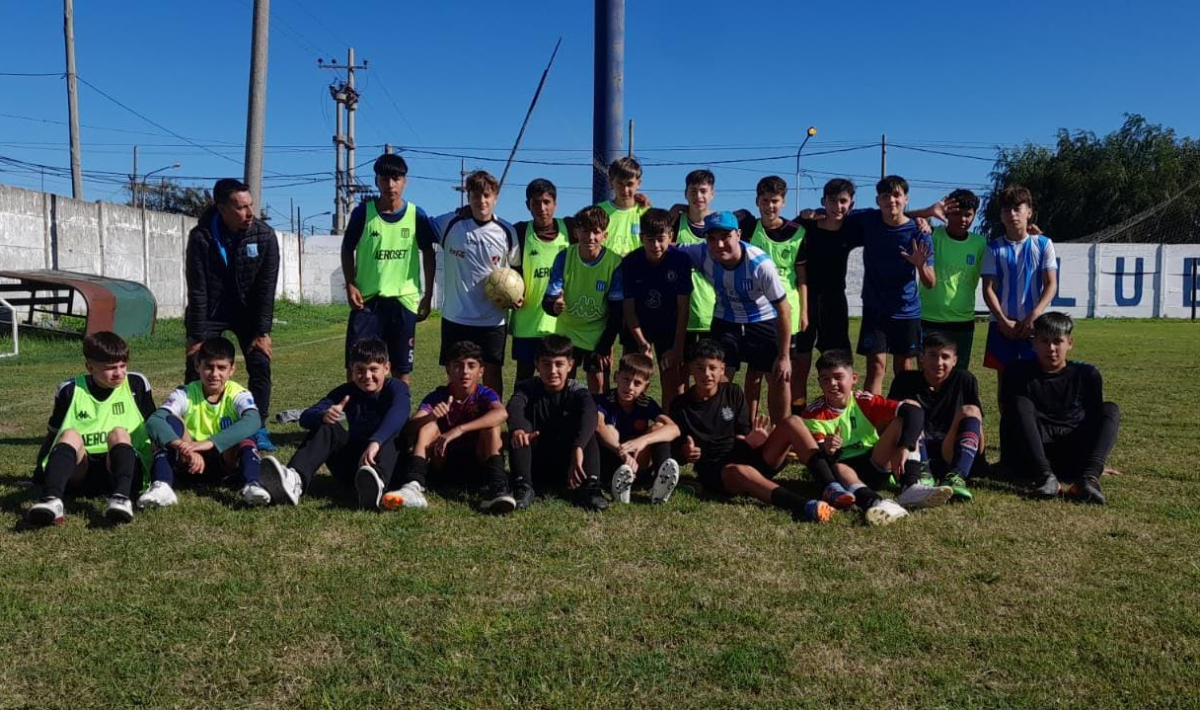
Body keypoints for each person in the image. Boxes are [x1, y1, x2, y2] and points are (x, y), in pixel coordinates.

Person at [669, 339, 832, 523]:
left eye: (712, 368)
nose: (706, 374)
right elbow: (675, 453)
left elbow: (744, 432)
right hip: (719, 472)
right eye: (700, 368)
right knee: (741, 471)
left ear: (722, 369)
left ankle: (831, 486)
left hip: (748, 456)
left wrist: (755, 440)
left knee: (793, 421)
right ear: (691, 369)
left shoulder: (732, 392)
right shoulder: (680, 406)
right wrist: (685, 453)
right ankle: (804, 506)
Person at [259, 337, 410, 510]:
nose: (367, 376)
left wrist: (377, 441)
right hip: (356, 465)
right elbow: (306, 417)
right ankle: (295, 479)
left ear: (387, 368)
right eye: (360, 370)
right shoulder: (347, 391)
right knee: (327, 426)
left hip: (391, 466)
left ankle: (377, 484)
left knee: (394, 431)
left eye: (373, 369)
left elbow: (400, 412)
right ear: (351, 370)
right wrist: (323, 415)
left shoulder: (396, 388)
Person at [184, 178, 279, 451]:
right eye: (241, 207)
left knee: (260, 363)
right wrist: (197, 335)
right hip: (211, 311)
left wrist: (262, 332)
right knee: (197, 364)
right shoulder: (201, 237)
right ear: (222, 208)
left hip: (249, 314)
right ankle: (192, 424)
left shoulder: (264, 235)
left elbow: (266, 288)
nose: (249, 213)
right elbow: (197, 289)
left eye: (251, 206)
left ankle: (257, 426)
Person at [800, 349, 954, 515]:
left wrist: (904, 446)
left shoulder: (864, 401)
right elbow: (820, 464)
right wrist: (828, 450)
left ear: (854, 378)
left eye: (838, 377)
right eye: (825, 379)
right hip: (843, 473)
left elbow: (914, 412)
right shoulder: (813, 413)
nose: (832, 383)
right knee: (839, 467)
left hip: (875, 462)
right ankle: (874, 502)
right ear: (819, 382)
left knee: (907, 413)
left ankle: (910, 486)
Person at [27, 332, 155, 526]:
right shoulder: (69, 390)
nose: (119, 373)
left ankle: (121, 498)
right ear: (90, 367)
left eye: (122, 366)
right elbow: (53, 434)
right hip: (82, 471)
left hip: (123, 469)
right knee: (69, 434)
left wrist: (162, 476)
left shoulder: (137, 383)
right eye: (110, 368)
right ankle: (52, 500)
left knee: (119, 433)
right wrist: (39, 475)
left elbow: (154, 428)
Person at [676, 211, 793, 424]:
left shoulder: (760, 264)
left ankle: (782, 432)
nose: (719, 244)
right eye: (712, 238)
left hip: (762, 319)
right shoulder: (702, 253)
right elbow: (667, 248)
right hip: (726, 320)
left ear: (738, 234)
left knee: (779, 377)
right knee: (718, 377)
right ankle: (722, 429)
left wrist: (784, 356)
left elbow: (784, 310)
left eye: (725, 237)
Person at [1000, 312, 1118, 504]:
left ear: (1070, 343)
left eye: (1057, 341)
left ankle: (1089, 478)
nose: (1051, 349)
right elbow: (1011, 422)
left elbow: (1094, 421)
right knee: (1019, 403)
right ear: (1034, 343)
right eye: (1044, 341)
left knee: (1110, 409)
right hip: (1031, 456)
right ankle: (1046, 476)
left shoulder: (1086, 374)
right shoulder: (1016, 372)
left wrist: (1094, 463)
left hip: (1072, 456)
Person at [138, 337, 268, 509]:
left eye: (221, 368)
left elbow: (253, 420)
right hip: (189, 460)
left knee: (245, 430)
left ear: (232, 369)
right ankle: (162, 485)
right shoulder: (185, 392)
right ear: (197, 365)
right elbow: (155, 421)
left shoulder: (238, 394)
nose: (214, 374)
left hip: (225, 462)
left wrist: (209, 443)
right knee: (170, 421)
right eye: (208, 366)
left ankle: (252, 484)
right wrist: (182, 446)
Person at [340, 154, 437, 383]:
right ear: (377, 181)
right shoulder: (362, 213)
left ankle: (399, 407)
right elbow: (347, 249)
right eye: (384, 179)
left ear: (405, 181)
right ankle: (356, 407)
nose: (390, 184)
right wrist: (350, 284)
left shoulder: (416, 215)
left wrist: (428, 294)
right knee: (356, 366)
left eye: (396, 178)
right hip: (367, 302)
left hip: (404, 301)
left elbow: (428, 252)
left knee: (401, 370)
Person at [386, 340, 514, 514]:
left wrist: (459, 429)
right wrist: (431, 416)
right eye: (458, 366)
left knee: (493, 427)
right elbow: (410, 428)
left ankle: (497, 487)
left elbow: (502, 413)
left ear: (481, 371)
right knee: (429, 426)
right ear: (448, 369)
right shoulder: (439, 396)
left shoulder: (484, 394)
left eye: (471, 366)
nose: (465, 372)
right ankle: (413, 485)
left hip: (478, 464)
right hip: (443, 463)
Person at [843, 176, 936, 395]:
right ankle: (871, 415)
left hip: (906, 310)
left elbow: (930, 282)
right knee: (876, 367)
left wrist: (920, 265)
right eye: (885, 196)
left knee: (904, 369)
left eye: (896, 195)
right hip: (875, 309)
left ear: (906, 199)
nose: (891, 200)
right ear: (878, 200)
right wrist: (812, 213)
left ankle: (902, 413)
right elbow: (837, 213)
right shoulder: (869, 219)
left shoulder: (919, 233)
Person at [432, 170, 520, 396]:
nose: (481, 201)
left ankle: (492, 417)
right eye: (475, 195)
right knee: (456, 373)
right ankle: (457, 415)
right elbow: (420, 227)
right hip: (456, 316)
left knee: (492, 372)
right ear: (468, 197)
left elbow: (517, 270)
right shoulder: (449, 223)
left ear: (496, 198)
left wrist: (518, 294)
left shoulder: (507, 231)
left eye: (487, 195)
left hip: (493, 318)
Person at [507, 335, 606, 511]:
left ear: (570, 365)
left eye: (559, 364)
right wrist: (518, 428)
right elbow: (514, 406)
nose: (552, 371)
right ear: (537, 364)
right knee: (521, 431)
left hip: (571, 462)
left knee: (588, 430)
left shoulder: (577, 390)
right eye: (546, 364)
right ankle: (523, 486)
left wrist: (578, 447)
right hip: (536, 464)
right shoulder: (528, 387)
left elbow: (591, 412)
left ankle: (592, 487)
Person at [736, 176, 806, 421]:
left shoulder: (797, 232)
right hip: (756, 310)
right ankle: (748, 425)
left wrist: (804, 312)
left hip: (787, 311)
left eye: (775, 201)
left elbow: (801, 276)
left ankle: (781, 427)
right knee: (754, 372)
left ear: (783, 202)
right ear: (757, 201)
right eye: (765, 200)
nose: (770, 206)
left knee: (782, 373)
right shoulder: (747, 228)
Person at [981, 185, 1058, 401]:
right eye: (1007, 210)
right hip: (1001, 325)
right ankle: (1007, 422)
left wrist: (1034, 316)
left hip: (1033, 325)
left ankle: (1034, 422)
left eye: (1017, 208)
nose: (1012, 214)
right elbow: (988, 288)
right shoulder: (993, 248)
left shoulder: (1043, 244)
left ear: (1029, 212)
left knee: (1035, 380)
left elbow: (1051, 284)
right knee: (1005, 381)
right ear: (1001, 215)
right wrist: (1002, 320)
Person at [887, 332, 985, 501]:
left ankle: (957, 476)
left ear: (954, 360)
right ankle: (922, 473)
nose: (939, 362)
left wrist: (979, 458)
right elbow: (889, 424)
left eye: (945, 357)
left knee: (971, 410)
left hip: (951, 451)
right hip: (915, 450)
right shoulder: (904, 380)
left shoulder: (964, 379)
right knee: (909, 407)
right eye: (932, 355)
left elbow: (978, 426)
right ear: (921, 358)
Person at [618, 207, 693, 410]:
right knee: (632, 379)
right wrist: (641, 343)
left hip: (668, 327)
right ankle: (632, 423)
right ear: (641, 238)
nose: (656, 245)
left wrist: (678, 347)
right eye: (650, 240)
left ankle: (670, 424)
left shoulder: (680, 261)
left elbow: (683, 308)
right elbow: (629, 309)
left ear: (671, 236)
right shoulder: (631, 262)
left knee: (672, 382)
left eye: (661, 239)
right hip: (638, 328)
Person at [793, 178, 858, 409]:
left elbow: (889, 218)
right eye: (832, 201)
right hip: (805, 301)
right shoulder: (806, 227)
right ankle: (798, 414)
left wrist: (922, 218)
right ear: (823, 201)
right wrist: (803, 216)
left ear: (851, 204)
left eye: (843, 201)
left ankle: (837, 414)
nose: (837, 206)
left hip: (834, 304)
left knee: (838, 367)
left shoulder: (852, 229)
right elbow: (778, 228)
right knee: (800, 365)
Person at [544, 206, 624, 393]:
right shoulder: (564, 257)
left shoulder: (615, 263)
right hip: (566, 334)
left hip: (597, 337)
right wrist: (553, 306)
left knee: (599, 391)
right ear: (576, 232)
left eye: (596, 232)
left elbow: (617, 312)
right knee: (559, 389)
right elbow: (548, 299)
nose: (590, 237)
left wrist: (605, 346)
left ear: (605, 235)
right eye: (585, 231)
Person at [595, 353, 682, 504]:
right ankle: (619, 481)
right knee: (610, 429)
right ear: (616, 377)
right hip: (613, 459)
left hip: (638, 463)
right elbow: (599, 426)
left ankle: (661, 482)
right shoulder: (604, 400)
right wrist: (620, 450)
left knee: (659, 427)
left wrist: (643, 441)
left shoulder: (646, 403)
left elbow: (674, 429)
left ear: (645, 387)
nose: (630, 387)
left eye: (637, 383)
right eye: (626, 379)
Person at [511, 178, 571, 383]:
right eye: (536, 202)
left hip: (561, 325)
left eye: (547, 202)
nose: (542, 208)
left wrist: (636, 204)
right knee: (524, 380)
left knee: (560, 381)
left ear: (555, 203)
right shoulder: (519, 231)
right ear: (528, 205)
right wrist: (465, 211)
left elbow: (599, 219)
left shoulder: (569, 228)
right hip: (527, 323)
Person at [919, 189, 986, 369]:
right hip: (929, 319)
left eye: (968, 215)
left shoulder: (980, 243)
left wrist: (1030, 234)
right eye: (957, 213)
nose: (963, 219)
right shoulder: (931, 234)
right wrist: (926, 214)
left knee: (958, 375)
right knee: (928, 373)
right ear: (946, 212)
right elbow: (898, 219)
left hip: (963, 321)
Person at [668, 169, 718, 346]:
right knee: (678, 362)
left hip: (712, 313)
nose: (698, 196)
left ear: (712, 194)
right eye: (693, 191)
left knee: (710, 364)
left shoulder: (719, 226)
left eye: (703, 191)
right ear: (685, 193)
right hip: (678, 313)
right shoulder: (675, 221)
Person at [597, 157, 649, 256]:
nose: (625, 190)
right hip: (608, 265)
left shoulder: (646, 213)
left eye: (630, 184)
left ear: (638, 183)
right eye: (620, 183)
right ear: (611, 183)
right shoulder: (600, 211)